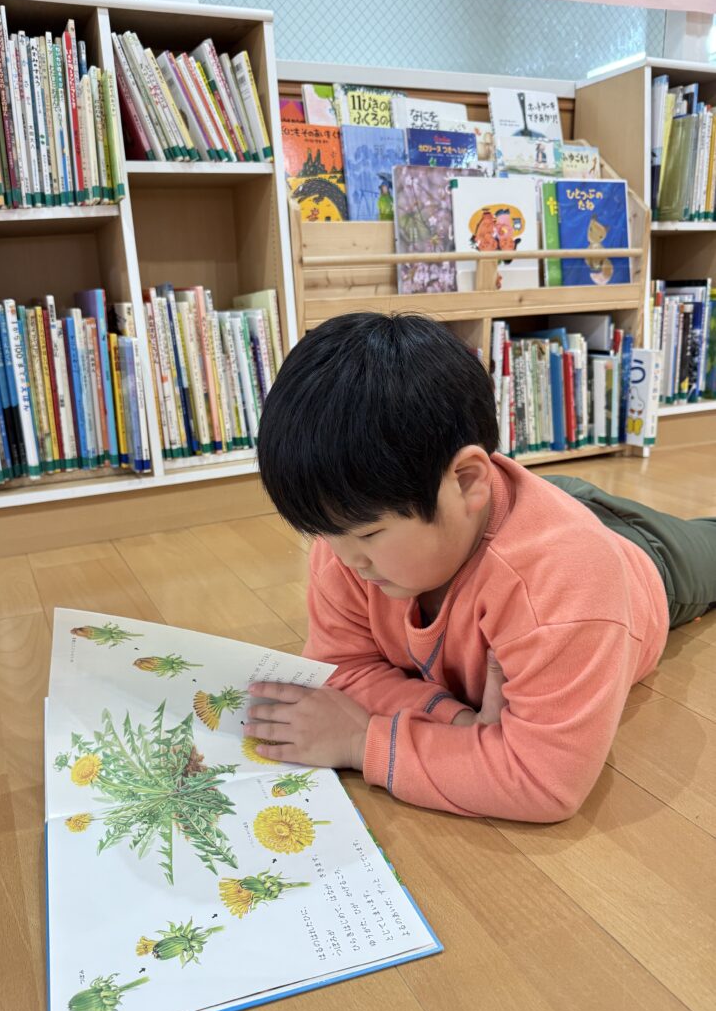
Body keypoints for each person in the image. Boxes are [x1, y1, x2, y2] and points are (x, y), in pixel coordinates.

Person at [244, 313, 716, 822]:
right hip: (520, 511)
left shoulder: (568, 586)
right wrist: (454, 720)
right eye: (323, 534)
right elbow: (345, 669)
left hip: (647, 559)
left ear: (467, 480)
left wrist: (363, 741)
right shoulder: (349, 535)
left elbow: (543, 780)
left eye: (368, 535)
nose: (342, 560)